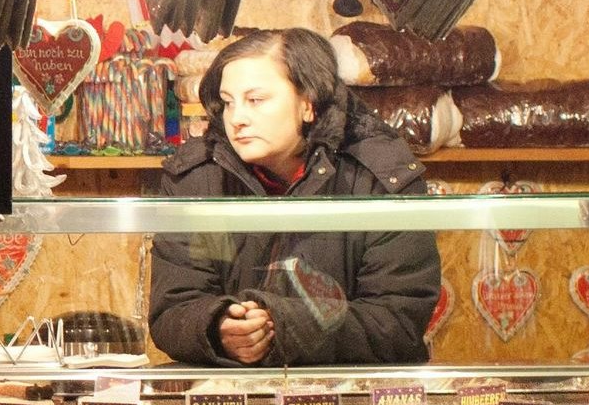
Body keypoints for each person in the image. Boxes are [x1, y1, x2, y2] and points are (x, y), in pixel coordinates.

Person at [146, 25, 443, 367]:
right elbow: (173, 308)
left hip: (350, 402)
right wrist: (217, 328)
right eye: (228, 103)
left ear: (307, 104)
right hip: (229, 399)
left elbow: (397, 321)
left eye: (255, 100)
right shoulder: (198, 180)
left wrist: (281, 326)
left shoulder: (382, 177)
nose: (237, 118)